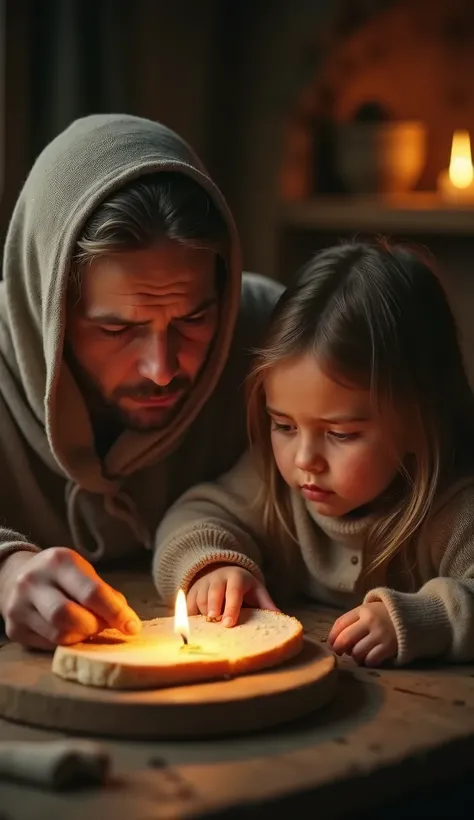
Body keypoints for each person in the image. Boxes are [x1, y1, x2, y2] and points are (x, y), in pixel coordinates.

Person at [0, 113, 283, 649]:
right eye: (117, 328)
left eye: (194, 319)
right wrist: (4, 570)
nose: (162, 368)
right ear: (47, 309)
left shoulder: (276, 337)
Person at [154, 240, 474, 667]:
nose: (305, 459)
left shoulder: (454, 512)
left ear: (421, 421)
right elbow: (191, 517)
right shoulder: (273, 482)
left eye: (340, 434)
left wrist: (427, 618)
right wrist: (211, 568)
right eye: (283, 425)